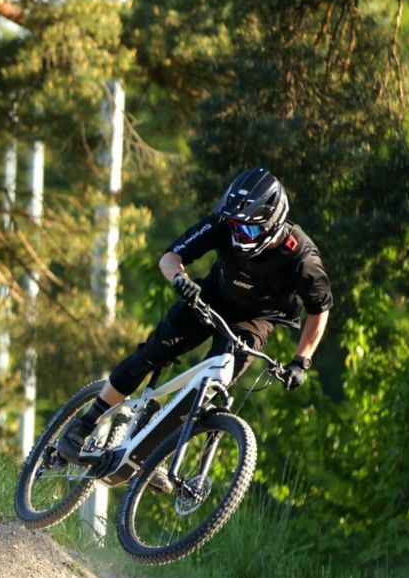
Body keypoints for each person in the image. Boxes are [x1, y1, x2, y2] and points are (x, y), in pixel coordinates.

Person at [59, 167, 333, 461]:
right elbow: (170, 257)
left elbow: (320, 310)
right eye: (235, 226)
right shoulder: (223, 223)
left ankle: (153, 460)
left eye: (248, 229)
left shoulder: (302, 258)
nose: (239, 233)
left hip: (256, 321)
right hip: (210, 297)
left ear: (273, 224)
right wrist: (180, 280)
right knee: (151, 353)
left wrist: (301, 360)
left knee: (211, 387)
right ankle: (84, 424)